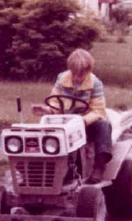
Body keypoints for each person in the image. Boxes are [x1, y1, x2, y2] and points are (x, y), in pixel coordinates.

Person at [33, 49, 112, 184]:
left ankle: (99, 167)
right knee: (43, 131)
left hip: (86, 122)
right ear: (70, 70)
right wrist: (48, 109)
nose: (77, 77)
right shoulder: (62, 79)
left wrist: (82, 120)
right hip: (65, 121)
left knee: (104, 125)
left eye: (81, 74)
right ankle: (42, 168)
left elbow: (98, 110)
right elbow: (54, 101)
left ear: (88, 71)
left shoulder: (95, 83)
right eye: (74, 74)